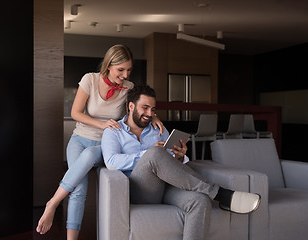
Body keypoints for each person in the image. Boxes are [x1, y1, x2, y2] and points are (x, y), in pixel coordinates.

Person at [36, 45, 164, 240]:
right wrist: (102, 124)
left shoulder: (128, 88)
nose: (125, 74)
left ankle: (52, 202)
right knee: (79, 188)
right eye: (120, 69)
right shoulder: (90, 79)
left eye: (128, 70)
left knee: (89, 156)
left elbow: (137, 108)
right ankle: (56, 212)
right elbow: (75, 113)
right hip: (79, 139)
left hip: (104, 144)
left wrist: (153, 117)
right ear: (109, 65)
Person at [101, 85, 261, 240]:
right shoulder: (114, 131)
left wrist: (179, 157)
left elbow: (169, 163)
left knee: (200, 200)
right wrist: (147, 154)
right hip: (139, 190)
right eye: (145, 107)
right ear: (131, 106)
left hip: (166, 187)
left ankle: (213, 194)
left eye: (153, 109)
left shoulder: (159, 130)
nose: (150, 113)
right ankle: (220, 194)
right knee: (155, 153)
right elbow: (111, 161)